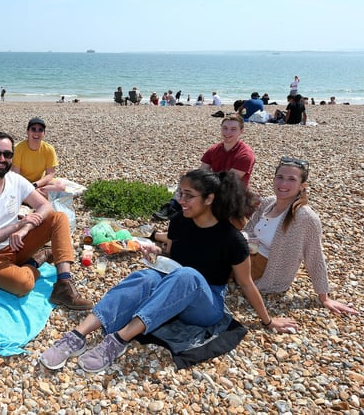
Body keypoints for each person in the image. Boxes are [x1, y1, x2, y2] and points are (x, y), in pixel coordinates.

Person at [40, 169, 297, 373]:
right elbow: (173, 256)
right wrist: (156, 254)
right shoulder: (179, 223)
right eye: (180, 193)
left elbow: (246, 283)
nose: (180, 200)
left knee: (189, 275)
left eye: (188, 195)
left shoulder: (232, 239)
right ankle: (77, 335)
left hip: (205, 305)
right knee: (146, 275)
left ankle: (118, 341)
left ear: (209, 199)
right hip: (172, 289)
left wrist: (268, 320)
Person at [0, 131, 92, 310]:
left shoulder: (15, 180)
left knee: (58, 218)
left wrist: (24, 229)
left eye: (7, 154)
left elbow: (46, 206)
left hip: (16, 244)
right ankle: (35, 261)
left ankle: (64, 285)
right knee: (22, 285)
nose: (2, 159)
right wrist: (16, 226)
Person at [244, 158, 357, 316]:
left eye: (291, 179)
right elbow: (249, 231)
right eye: (280, 177)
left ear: (302, 186)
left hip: (265, 271)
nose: (283, 184)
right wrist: (244, 247)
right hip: (249, 254)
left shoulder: (305, 217)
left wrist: (324, 297)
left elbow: (314, 255)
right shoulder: (269, 202)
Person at [154, 114, 255, 221]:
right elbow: (202, 172)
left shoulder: (245, 155)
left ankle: (185, 212)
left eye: (233, 129)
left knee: (201, 193)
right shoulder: (214, 150)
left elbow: (229, 182)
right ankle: (173, 207)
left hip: (233, 193)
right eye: (225, 128)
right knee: (189, 181)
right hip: (215, 184)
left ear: (241, 131)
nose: (227, 133)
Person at [12, 118, 66, 197]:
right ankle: (33, 196)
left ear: (44, 133)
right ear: (27, 132)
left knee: (61, 186)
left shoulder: (49, 149)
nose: (36, 133)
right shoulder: (18, 148)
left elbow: (50, 174)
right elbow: (15, 174)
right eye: (33, 129)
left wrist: (35, 185)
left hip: (39, 183)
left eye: (40, 130)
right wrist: (27, 186)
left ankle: (29, 196)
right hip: (22, 183)